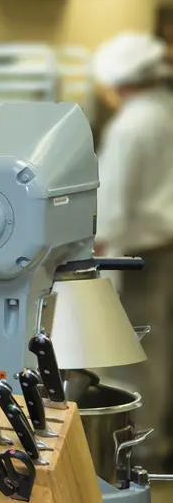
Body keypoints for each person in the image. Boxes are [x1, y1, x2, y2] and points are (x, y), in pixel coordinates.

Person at [92, 31, 173, 467]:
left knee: (135, 355)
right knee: (160, 350)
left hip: (141, 256)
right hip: (165, 248)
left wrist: (88, 253)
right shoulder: (165, 109)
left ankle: (138, 450)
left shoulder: (131, 125)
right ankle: (157, 443)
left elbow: (111, 212)